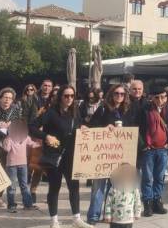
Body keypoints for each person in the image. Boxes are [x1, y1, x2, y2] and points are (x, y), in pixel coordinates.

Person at [30, 85, 93, 228]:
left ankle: (76, 219)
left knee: (74, 187)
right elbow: (32, 127)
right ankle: (54, 221)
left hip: (71, 155)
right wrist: (46, 136)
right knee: (54, 187)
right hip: (54, 156)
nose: (69, 99)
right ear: (60, 97)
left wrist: (83, 127)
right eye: (66, 96)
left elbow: (77, 126)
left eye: (72, 96)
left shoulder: (75, 112)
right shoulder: (51, 112)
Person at [86, 84, 131, 224]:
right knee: (98, 187)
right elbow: (91, 126)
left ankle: (110, 215)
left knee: (116, 188)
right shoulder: (103, 108)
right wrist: (105, 128)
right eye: (116, 93)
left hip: (119, 155)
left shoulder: (127, 110)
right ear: (111, 94)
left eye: (122, 94)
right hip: (103, 155)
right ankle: (93, 217)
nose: (119, 96)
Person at [137, 86, 168, 217]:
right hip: (149, 149)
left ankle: (157, 201)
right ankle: (147, 203)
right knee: (147, 178)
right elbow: (139, 129)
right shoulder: (145, 109)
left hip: (163, 149)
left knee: (159, 177)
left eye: (163, 97)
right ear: (152, 97)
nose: (160, 99)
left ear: (166, 97)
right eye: (157, 97)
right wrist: (143, 145)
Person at [0, 87, 23, 208]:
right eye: (5, 97)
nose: (7, 100)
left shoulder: (15, 111)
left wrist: (11, 126)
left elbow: (20, 126)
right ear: (0, 98)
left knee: (6, 171)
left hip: (11, 144)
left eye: (10, 98)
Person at [1, 121, 40, 213]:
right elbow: (6, 149)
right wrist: (6, 138)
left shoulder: (26, 137)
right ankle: (11, 205)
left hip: (23, 164)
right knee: (12, 186)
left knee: (24, 185)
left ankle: (28, 204)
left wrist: (42, 143)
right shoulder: (10, 138)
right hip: (11, 165)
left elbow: (33, 144)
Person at [103, 164, 143, 228]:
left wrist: (137, 213)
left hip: (128, 220)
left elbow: (137, 201)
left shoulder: (134, 188)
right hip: (115, 220)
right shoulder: (113, 188)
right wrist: (108, 215)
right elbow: (108, 203)